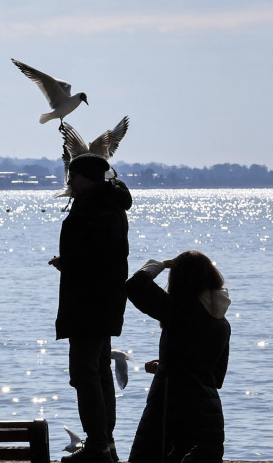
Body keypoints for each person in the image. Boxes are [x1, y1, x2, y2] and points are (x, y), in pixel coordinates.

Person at [48, 153, 132, 463]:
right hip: (102, 299)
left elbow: (99, 256)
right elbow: (105, 254)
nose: (69, 182)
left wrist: (68, 263)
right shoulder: (107, 204)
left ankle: (98, 446)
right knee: (98, 371)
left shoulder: (96, 207)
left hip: (89, 302)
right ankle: (105, 444)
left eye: (73, 176)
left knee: (85, 374)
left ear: (85, 178)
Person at [125, 251, 230, 463]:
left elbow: (135, 285)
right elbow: (215, 376)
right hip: (209, 416)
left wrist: (161, 264)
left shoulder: (179, 309)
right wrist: (168, 363)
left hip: (170, 410)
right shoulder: (222, 323)